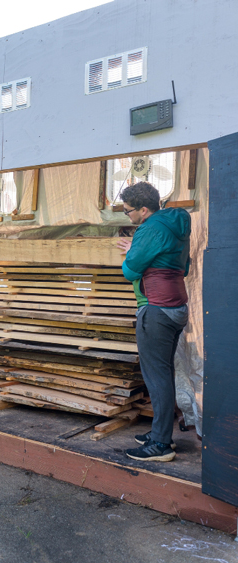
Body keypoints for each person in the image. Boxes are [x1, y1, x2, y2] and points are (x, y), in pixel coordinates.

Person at [114, 182, 190, 462]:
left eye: (128, 212)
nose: (128, 216)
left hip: (156, 308)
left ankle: (160, 445)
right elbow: (186, 265)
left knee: (156, 377)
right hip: (177, 306)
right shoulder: (177, 224)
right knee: (163, 374)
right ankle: (159, 432)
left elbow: (130, 270)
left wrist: (134, 249)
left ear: (144, 210)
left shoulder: (149, 228)